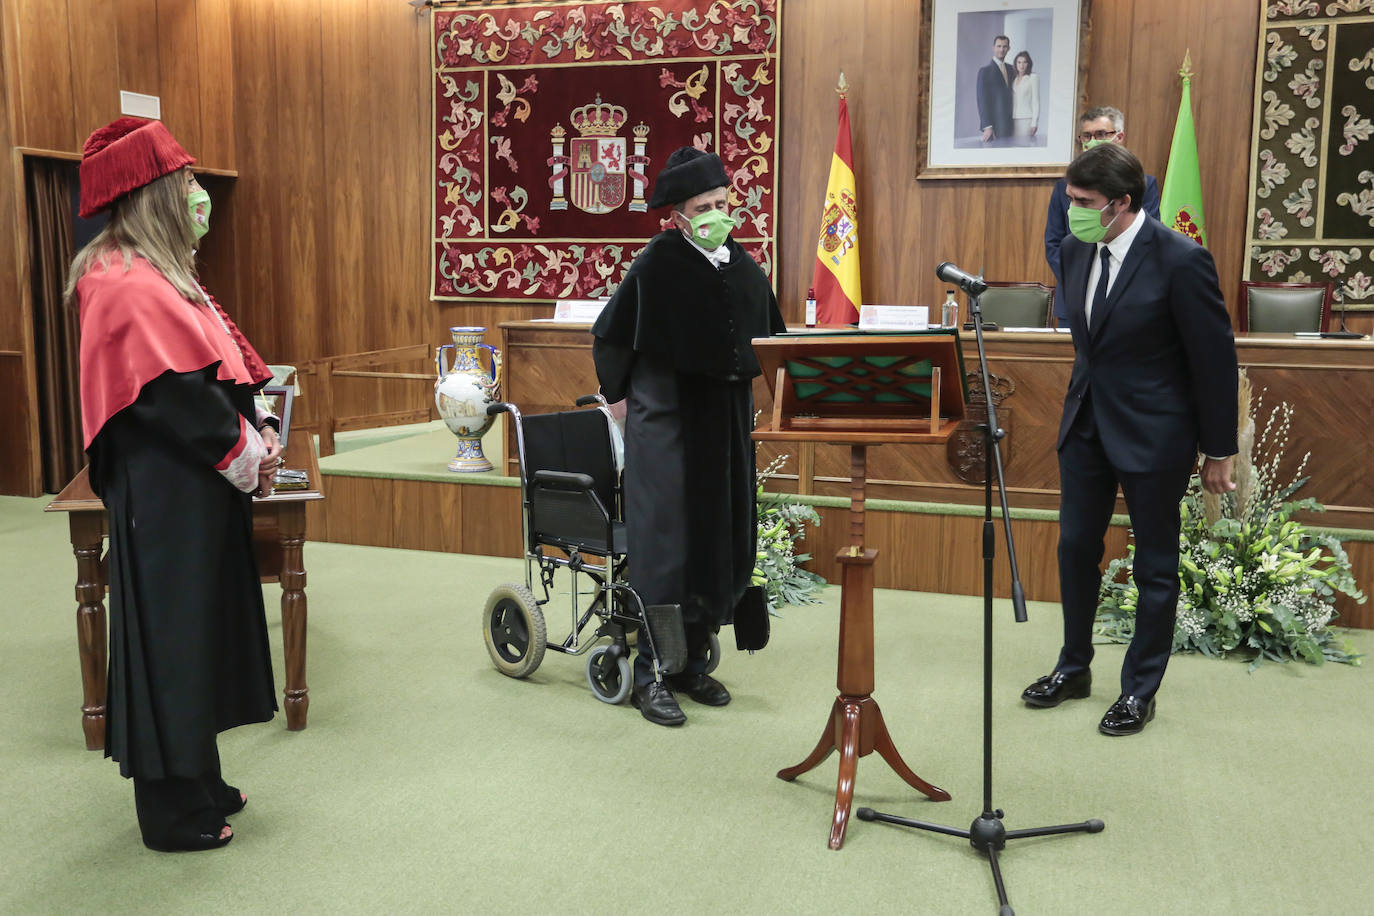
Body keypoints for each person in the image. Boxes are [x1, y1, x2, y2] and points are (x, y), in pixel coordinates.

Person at [67, 117, 281, 850]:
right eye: (187, 180)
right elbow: (168, 394)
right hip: (164, 495)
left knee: (202, 630)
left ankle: (203, 778)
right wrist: (244, 450)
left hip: (197, 486)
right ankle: (171, 811)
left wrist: (258, 429)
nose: (198, 192)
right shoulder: (120, 282)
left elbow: (218, 371)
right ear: (154, 191)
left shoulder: (160, 272)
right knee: (171, 641)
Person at [1020, 143, 1238, 736]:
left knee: (1155, 567)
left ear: (1120, 204)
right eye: (1070, 201)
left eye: (1083, 203)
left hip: (1156, 433)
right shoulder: (1073, 251)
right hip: (1088, 426)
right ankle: (1074, 667)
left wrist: (1218, 449)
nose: (1071, 213)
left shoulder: (1181, 258)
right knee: (1073, 550)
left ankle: (1140, 688)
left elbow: (1214, 360)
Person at [591, 146, 786, 727]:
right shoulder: (657, 265)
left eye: (724, 203)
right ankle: (651, 670)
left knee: (716, 537)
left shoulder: (743, 267)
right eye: (704, 206)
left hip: (723, 427)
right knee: (667, 548)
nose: (718, 214)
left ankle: (692, 659)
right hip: (669, 427)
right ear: (675, 215)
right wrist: (623, 398)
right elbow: (611, 340)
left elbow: (771, 342)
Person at [1044, 106, 1160, 318]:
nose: (1093, 140)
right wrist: (1077, 278)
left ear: (1119, 137)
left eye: (1100, 134)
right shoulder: (1064, 186)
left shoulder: (1143, 184)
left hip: (1126, 297)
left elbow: (1146, 239)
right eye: (1087, 135)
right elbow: (1053, 243)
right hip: (1074, 299)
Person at [977, 35, 1015, 144]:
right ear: (993, 48)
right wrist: (987, 126)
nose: (1001, 49)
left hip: (1012, 123)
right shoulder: (985, 71)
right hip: (996, 125)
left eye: (1004, 46)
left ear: (1008, 48)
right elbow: (982, 100)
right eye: (999, 46)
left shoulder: (1011, 69)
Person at [1010, 51, 1040, 142]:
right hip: (1013, 119)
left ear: (1028, 64)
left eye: (1024, 62)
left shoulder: (1033, 77)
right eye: (1019, 62)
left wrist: (1034, 123)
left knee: (1024, 146)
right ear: (1016, 64)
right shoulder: (1014, 79)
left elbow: (1036, 101)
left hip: (1026, 119)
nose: (1021, 65)